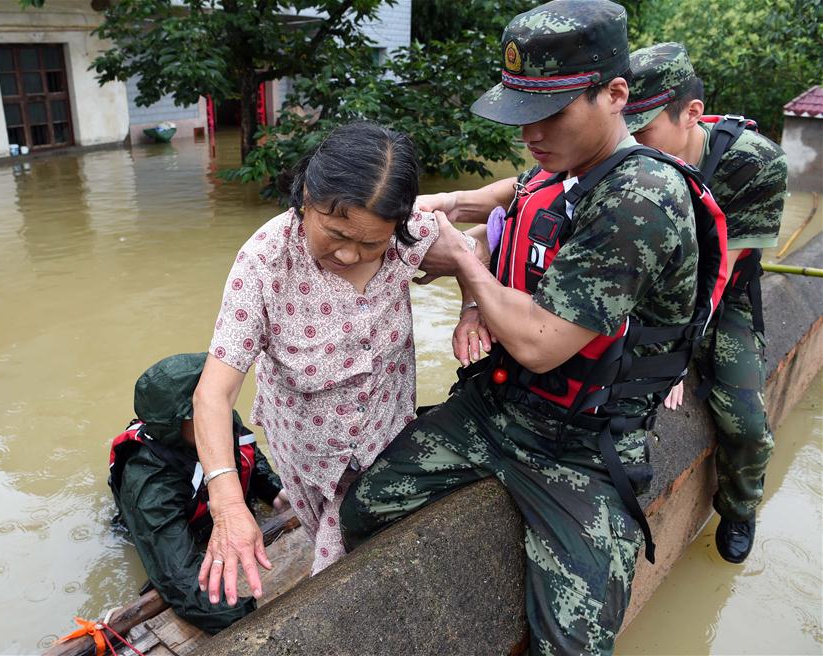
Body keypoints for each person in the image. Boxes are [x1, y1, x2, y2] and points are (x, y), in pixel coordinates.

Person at [339, 1, 727, 653]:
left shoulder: (639, 201)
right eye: (523, 115)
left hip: (583, 446)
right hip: (500, 405)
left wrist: (463, 260)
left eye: (550, 115)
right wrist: (425, 207)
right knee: (366, 507)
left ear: (615, 95)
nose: (532, 134)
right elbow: (507, 195)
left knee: (572, 646)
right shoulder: (569, 166)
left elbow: (539, 344)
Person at [192, 121, 479, 608]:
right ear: (307, 198)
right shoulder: (264, 262)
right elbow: (212, 394)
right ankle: (294, 500)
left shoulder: (411, 238)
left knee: (338, 571)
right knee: (318, 519)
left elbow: (470, 251)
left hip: (385, 438)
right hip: (304, 446)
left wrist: (471, 308)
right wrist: (227, 505)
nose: (350, 253)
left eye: (371, 243)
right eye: (336, 233)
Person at [624, 42, 787, 563]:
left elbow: (719, 273)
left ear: (692, 113)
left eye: (643, 127)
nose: (630, 141)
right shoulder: (625, 155)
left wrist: (674, 354)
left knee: (744, 421)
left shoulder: (753, 165)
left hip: (723, 296)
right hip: (646, 288)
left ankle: (739, 505)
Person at [108, 352, 287, 633]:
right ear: (178, 423)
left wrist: (275, 492)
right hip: (178, 532)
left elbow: (247, 454)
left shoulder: (216, 417)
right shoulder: (150, 481)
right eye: (205, 406)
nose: (220, 409)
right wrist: (251, 613)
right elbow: (180, 580)